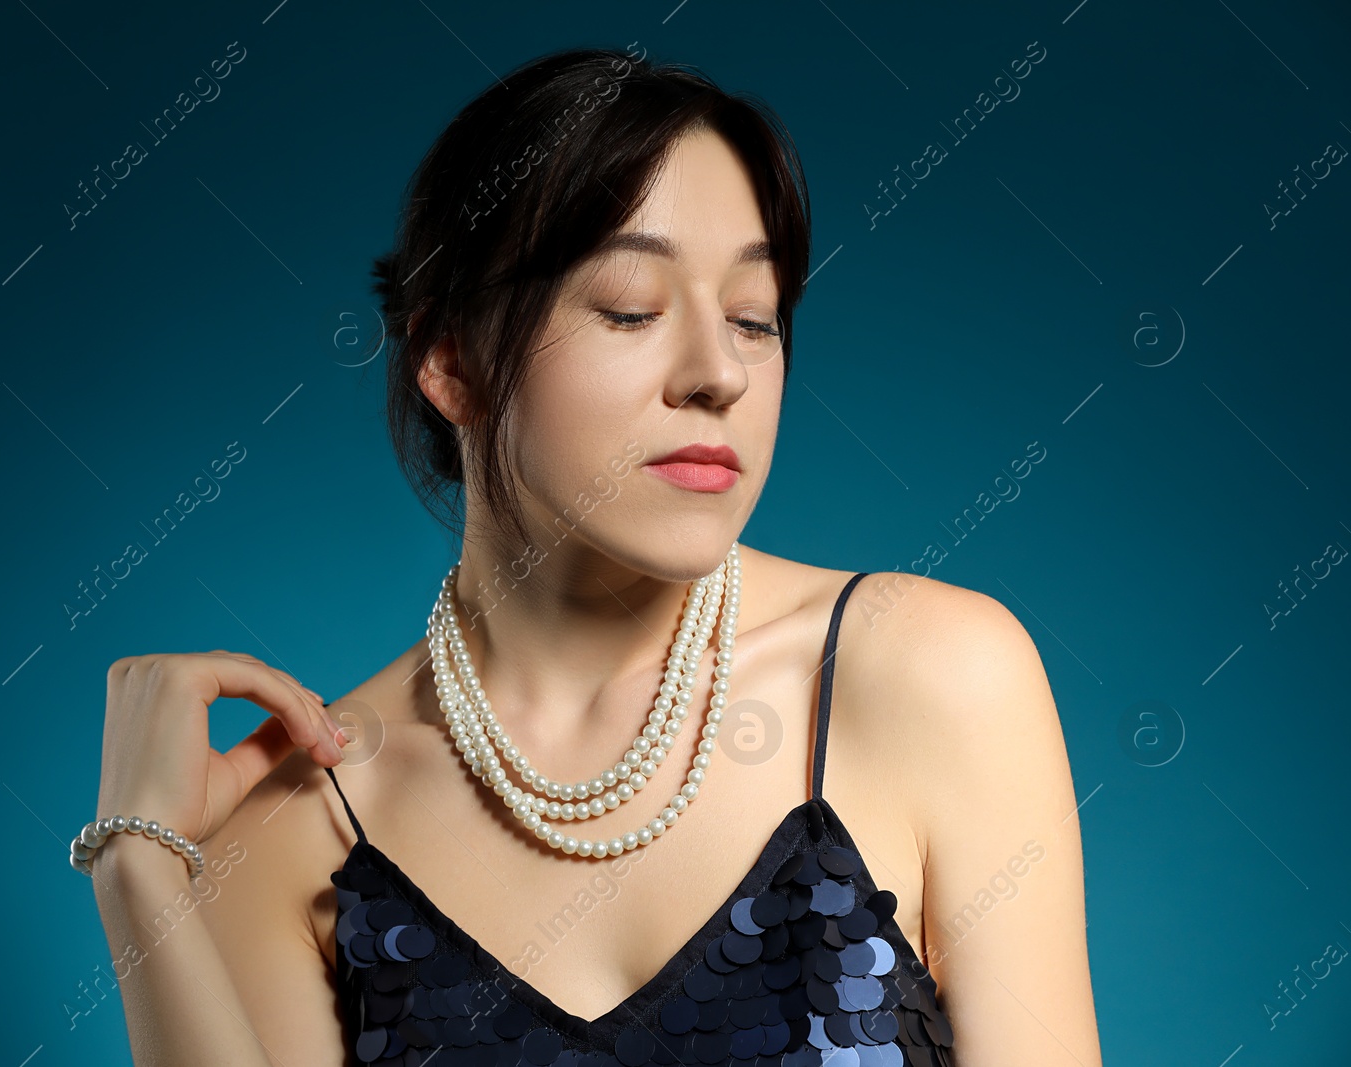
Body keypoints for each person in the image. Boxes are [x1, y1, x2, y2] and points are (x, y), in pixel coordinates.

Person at [84, 46, 1102, 1066]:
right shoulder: (303, 813)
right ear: (452, 360)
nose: (718, 375)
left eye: (753, 318)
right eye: (630, 307)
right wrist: (135, 860)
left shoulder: (926, 670)